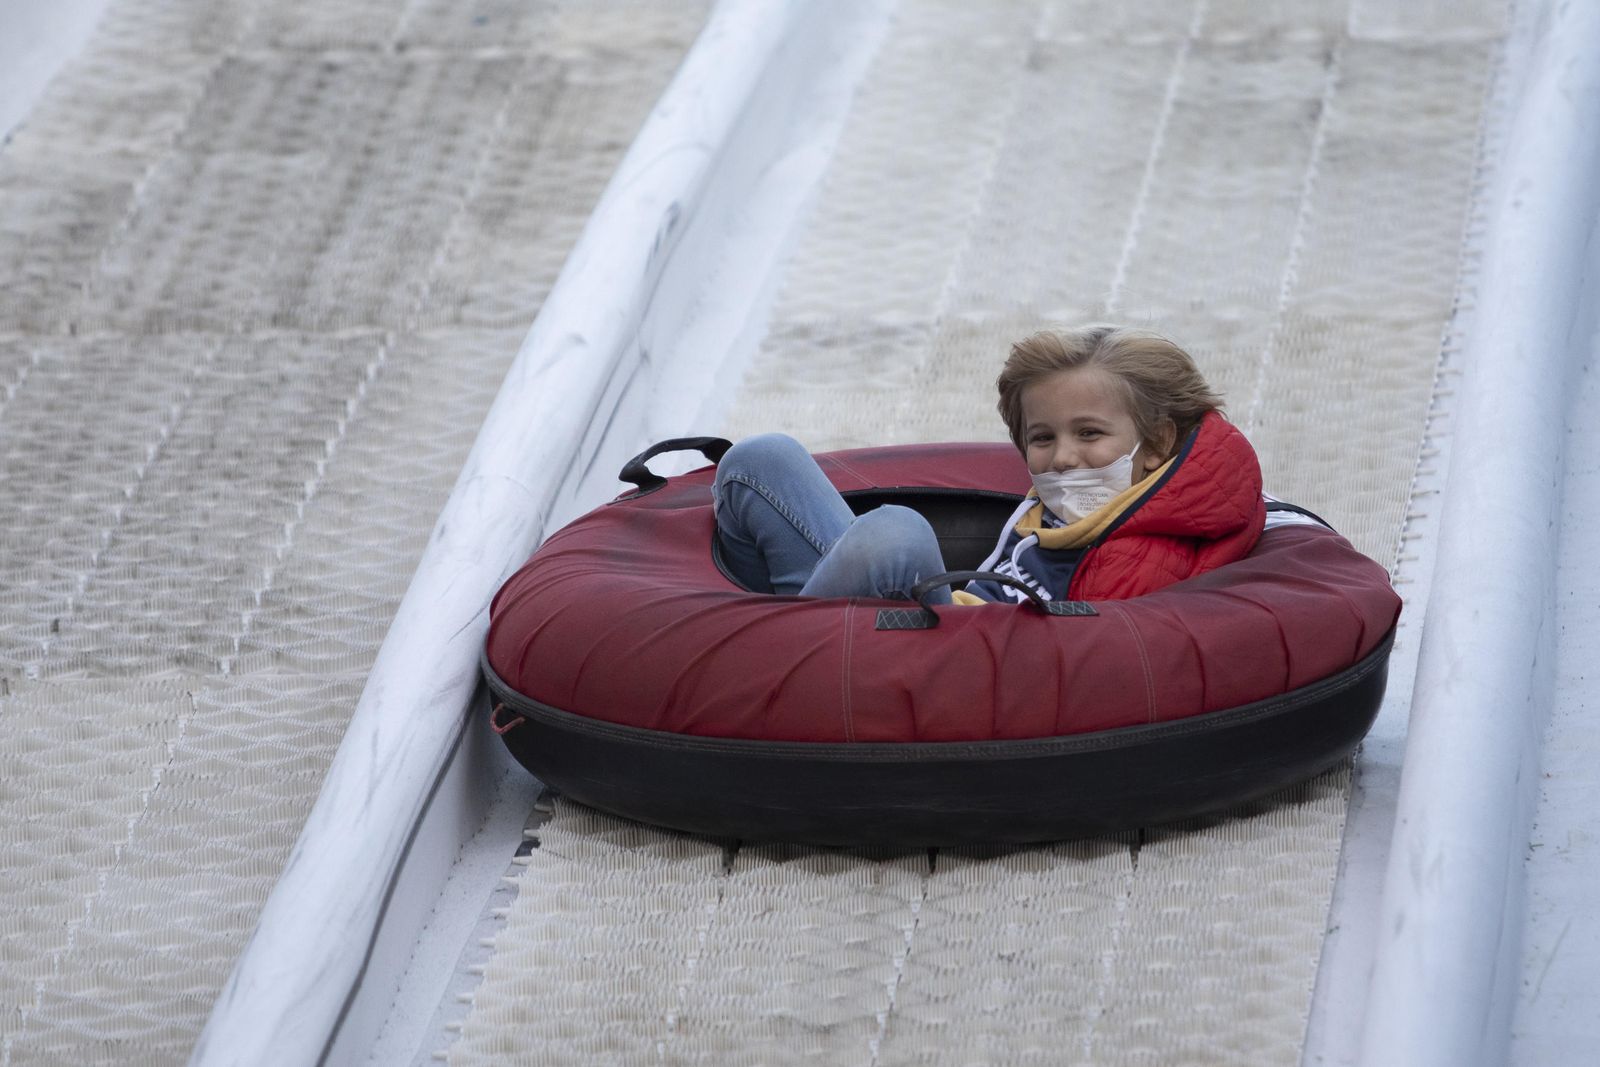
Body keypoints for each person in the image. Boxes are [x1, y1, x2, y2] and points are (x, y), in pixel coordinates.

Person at [712, 325, 1266, 607]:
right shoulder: (1074, 507)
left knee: (895, 534)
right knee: (762, 459)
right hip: (944, 614)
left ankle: (772, 664)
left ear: (1157, 441)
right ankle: (775, 639)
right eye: (1042, 438)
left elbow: (1081, 667)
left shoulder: (1143, 552)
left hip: (963, 662)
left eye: (1090, 434)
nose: (1064, 457)